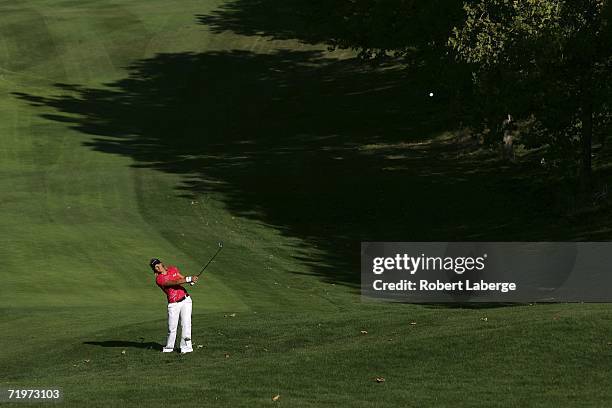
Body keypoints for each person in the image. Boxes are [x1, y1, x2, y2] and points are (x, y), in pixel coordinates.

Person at [150, 258, 198, 354]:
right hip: (173, 304)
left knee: (186, 324)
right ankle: (169, 348)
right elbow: (174, 282)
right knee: (172, 327)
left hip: (186, 300)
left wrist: (190, 280)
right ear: (155, 269)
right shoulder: (159, 279)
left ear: (161, 263)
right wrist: (188, 279)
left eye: (158, 264)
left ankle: (186, 348)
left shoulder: (173, 269)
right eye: (155, 267)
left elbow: (181, 278)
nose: (158, 267)